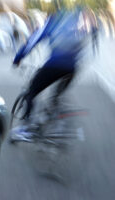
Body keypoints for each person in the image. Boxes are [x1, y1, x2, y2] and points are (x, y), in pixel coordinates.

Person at [10, 6, 97, 142]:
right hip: (72, 68)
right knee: (55, 96)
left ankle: (26, 129)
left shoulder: (51, 22)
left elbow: (32, 41)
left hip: (55, 65)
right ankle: (57, 122)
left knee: (31, 92)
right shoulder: (73, 22)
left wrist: (18, 59)